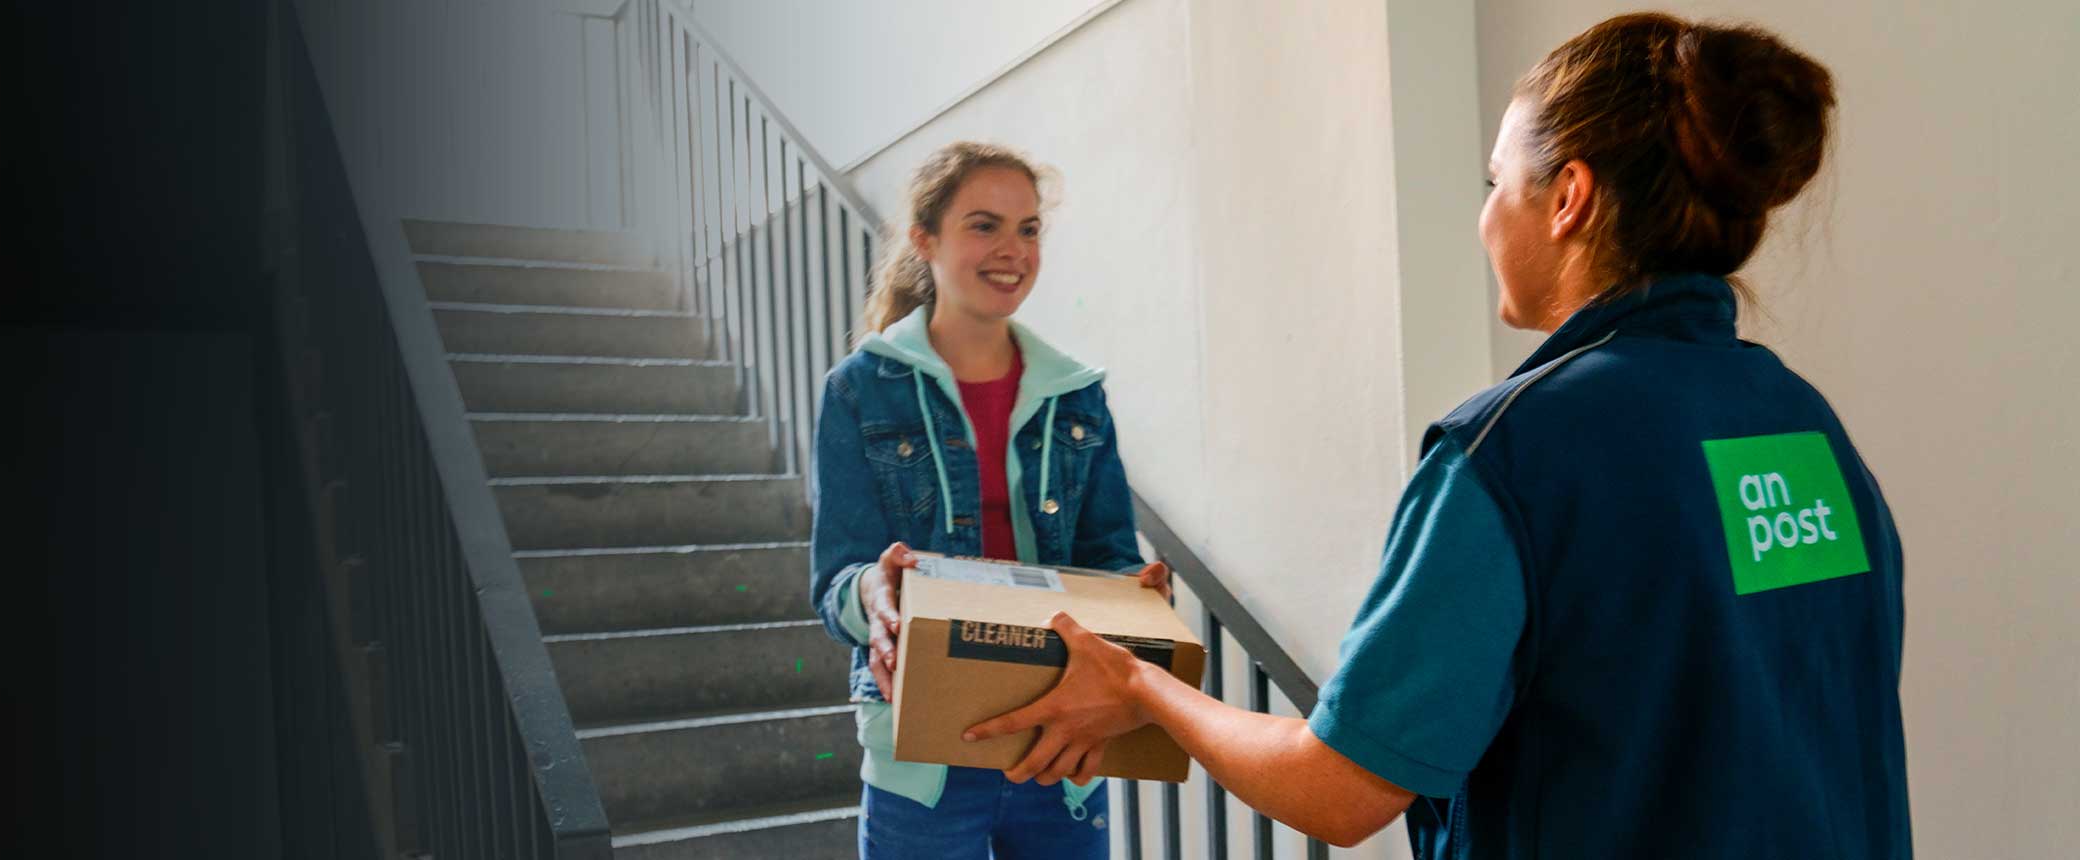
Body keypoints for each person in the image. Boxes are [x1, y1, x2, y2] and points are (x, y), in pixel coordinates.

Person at [964, 13, 1908, 857]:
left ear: (1569, 197)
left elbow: (1336, 790)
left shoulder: (1518, 451)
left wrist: (1138, 688)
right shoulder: (1801, 422)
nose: (1487, 212)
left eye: (1496, 180)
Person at [809, 140, 1173, 859]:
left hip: (1062, 742)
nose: (1013, 250)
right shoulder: (858, 389)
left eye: (1028, 228)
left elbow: (1107, 556)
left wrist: (1136, 596)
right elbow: (837, 583)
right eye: (984, 225)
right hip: (922, 756)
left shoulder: (1078, 395)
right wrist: (875, 594)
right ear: (925, 239)